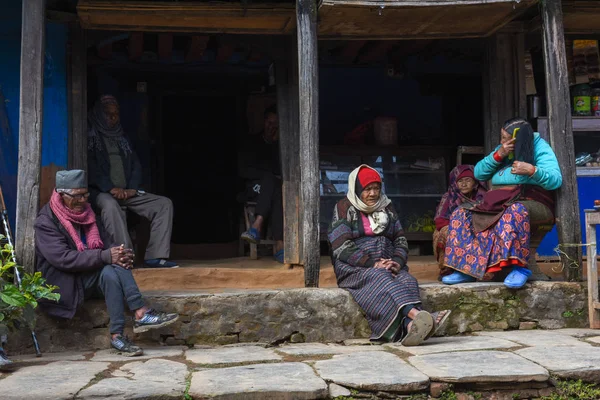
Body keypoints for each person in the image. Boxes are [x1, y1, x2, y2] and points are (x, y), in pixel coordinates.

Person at [34, 170, 179, 356]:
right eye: (76, 196)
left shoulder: (88, 213)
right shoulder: (46, 222)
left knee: (112, 271)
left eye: (85, 195)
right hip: (64, 283)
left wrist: (121, 254)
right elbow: (62, 259)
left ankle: (117, 336)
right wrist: (105, 256)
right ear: (61, 195)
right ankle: (141, 311)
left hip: (88, 275)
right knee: (111, 264)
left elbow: (107, 243)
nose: (82, 200)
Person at [328, 165, 451, 346]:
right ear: (357, 189)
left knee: (407, 279)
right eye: (367, 189)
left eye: (376, 188)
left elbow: (400, 239)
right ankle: (417, 315)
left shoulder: (387, 207)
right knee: (381, 277)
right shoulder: (344, 207)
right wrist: (372, 263)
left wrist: (397, 262)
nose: (372, 194)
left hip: (386, 262)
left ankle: (410, 327)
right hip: (355, 267)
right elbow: (341, 246)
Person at [442, 117, 562, 288]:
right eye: (502, 138)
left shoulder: (540, 148)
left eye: (506, 138)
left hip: (533, 202)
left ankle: (519, 268)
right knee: (461, 213)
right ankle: (465, 269)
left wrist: (532, 170)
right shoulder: (504, 149)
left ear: (518, 139)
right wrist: (499, 155)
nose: (502, 142)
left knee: (514, 211)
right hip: (499, 203)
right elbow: (479, 173)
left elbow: (555, 180)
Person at [88, 95, 177, 268]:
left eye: (116, 114)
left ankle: (155, 256)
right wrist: (110, 188)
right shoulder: (90, 137)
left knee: (163, 204)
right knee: (111, 206)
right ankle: (126, 255)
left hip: (126, 192)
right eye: (108, 114)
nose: (113, 118)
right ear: (99, 114)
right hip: (100, 192)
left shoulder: (122, 137)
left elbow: (136, 164)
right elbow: (91, 168)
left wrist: (132, 189)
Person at [239, 106, 284, 263]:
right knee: (272, 182)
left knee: (275, 188)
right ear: (264, 122)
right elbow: (243, 170)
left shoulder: (280, 147)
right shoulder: (251, 142)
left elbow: (281, 170)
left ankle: (256, 227)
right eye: (269, 123)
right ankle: (280, 244)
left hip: (270, 189)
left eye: (275, 124)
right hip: (253, 187)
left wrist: (274, 144)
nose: (272, 127)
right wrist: (266, 175)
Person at [433, 165, 487, 279]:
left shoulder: (482, 197)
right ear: (454, 183)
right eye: (460, 181)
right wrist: (461, 228)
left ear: (475, 182)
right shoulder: (449, 197)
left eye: (468, 180)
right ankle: (451, 269)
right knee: (445, 232)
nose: (464, 184)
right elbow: (440, 221)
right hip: (456, 230)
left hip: (478, 229)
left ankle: (479, 269)